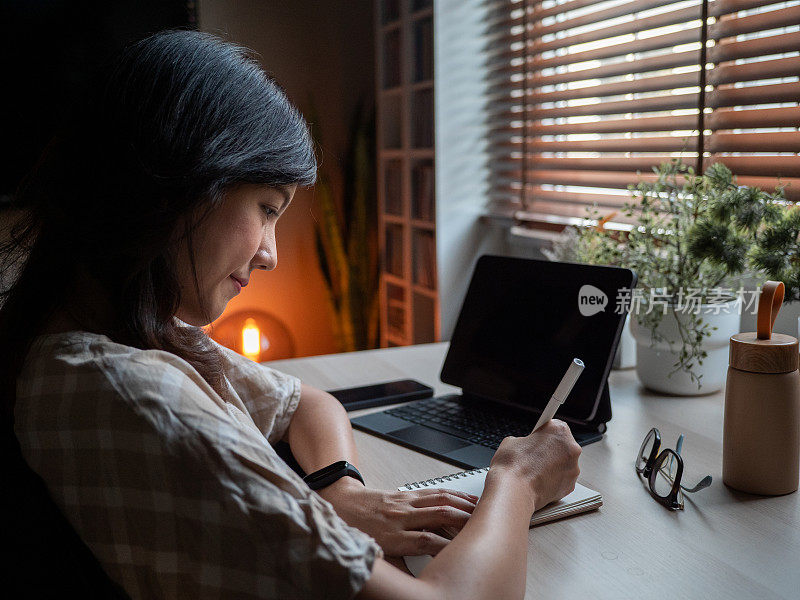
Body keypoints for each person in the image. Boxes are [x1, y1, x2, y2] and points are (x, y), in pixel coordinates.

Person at [1, 30, 581, 599]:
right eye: (266, 208)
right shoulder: (137, 397)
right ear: (177, 187)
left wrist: (340, 496)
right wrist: (519, 480)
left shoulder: (119, 331)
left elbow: (307, 401)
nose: (272, 254)